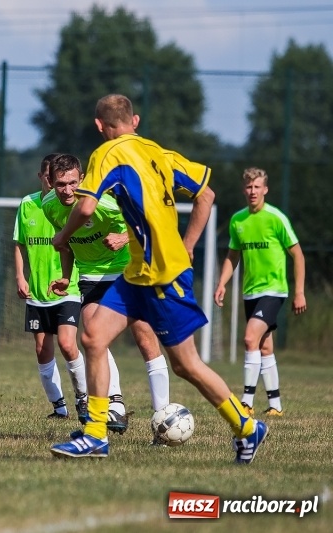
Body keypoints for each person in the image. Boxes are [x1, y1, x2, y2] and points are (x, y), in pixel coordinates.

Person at [48, 94, 267, 464]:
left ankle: (247, 427)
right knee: (93, 335)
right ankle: (96, 434)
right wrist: (189, 245)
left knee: (186, 365)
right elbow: (206, 194)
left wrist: (62, 237)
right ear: (135, 121)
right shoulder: (160, 153)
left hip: (162, 276)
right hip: (137, 273)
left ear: (99, 126)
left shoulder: (106, 154)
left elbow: (86, 207)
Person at [43, 154, 171, 435]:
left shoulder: (104, 203)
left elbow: (148, 223)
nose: (67, 190)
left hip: (128, 271)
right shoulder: (49, 206)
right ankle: (116, 404)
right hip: (90, 276)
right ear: (50, 181)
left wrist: (123, 237)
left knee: (145, 338)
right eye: (60, 184)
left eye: (72, 183)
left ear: (83, 179)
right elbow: (65, 243)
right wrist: (66, 276)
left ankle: (162, 417)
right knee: (92, 335)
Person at [214, 167, 306, 417]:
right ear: (244, 190)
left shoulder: (276, 218)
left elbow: (297, 254)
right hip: (250, 292)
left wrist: (299, 291)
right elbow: (232, 256)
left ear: (265, 189)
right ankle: (275, 405)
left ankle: (245, 402)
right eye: (249, 187)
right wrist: (222, 283)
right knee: (264, 348)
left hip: (274, 290)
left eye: (257, 187)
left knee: (249, 338)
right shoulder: (238, 220)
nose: (252, 191)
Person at [13, 153, 88, 420]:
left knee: (68, 344)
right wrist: (21, 277)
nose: (53, 183)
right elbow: (19, 243)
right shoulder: (28, 204)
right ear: (43, 178)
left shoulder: (74, 205)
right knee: (42, 349)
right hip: (38, 291)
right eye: (50, 178)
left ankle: (83, 398)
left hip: (67, 287)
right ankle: (59, 407)